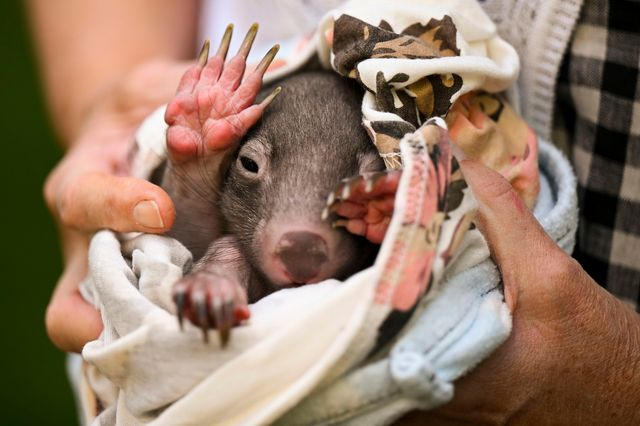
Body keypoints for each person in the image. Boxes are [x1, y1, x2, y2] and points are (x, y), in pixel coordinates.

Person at [28, 0, 640, 423]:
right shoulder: (232, 231)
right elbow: (189, 237)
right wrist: (108, 97)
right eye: (248, 166)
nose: (299, 238)